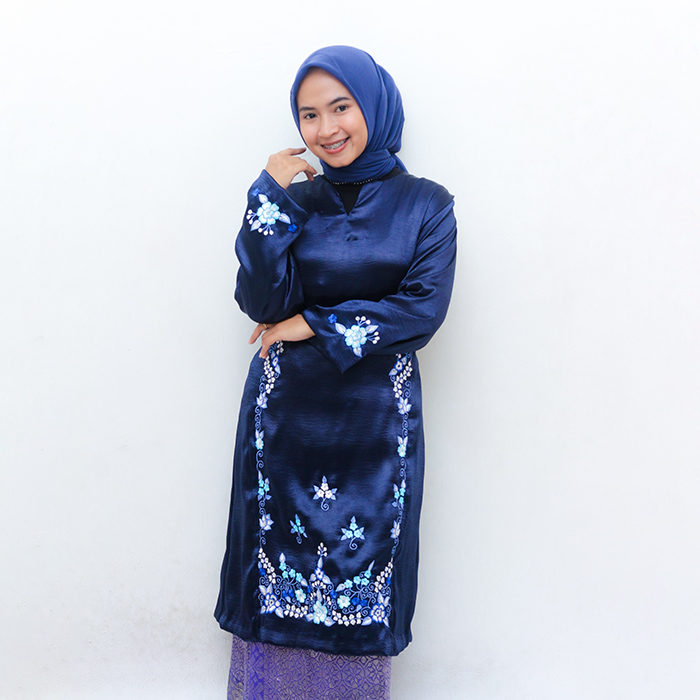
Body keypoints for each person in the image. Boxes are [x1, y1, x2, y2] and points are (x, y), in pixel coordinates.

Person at [215, 45, 457, 699]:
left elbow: (421, 311)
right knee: (274, 579)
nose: (326, 129)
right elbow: (261, 301)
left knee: (362, 583)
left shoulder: (427, 206)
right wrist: (267, 198)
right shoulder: (297, 201)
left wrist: (313, 323)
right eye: (309, 114)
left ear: (374, 106)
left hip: (376, 429)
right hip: (284, 422)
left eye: (341, 107)